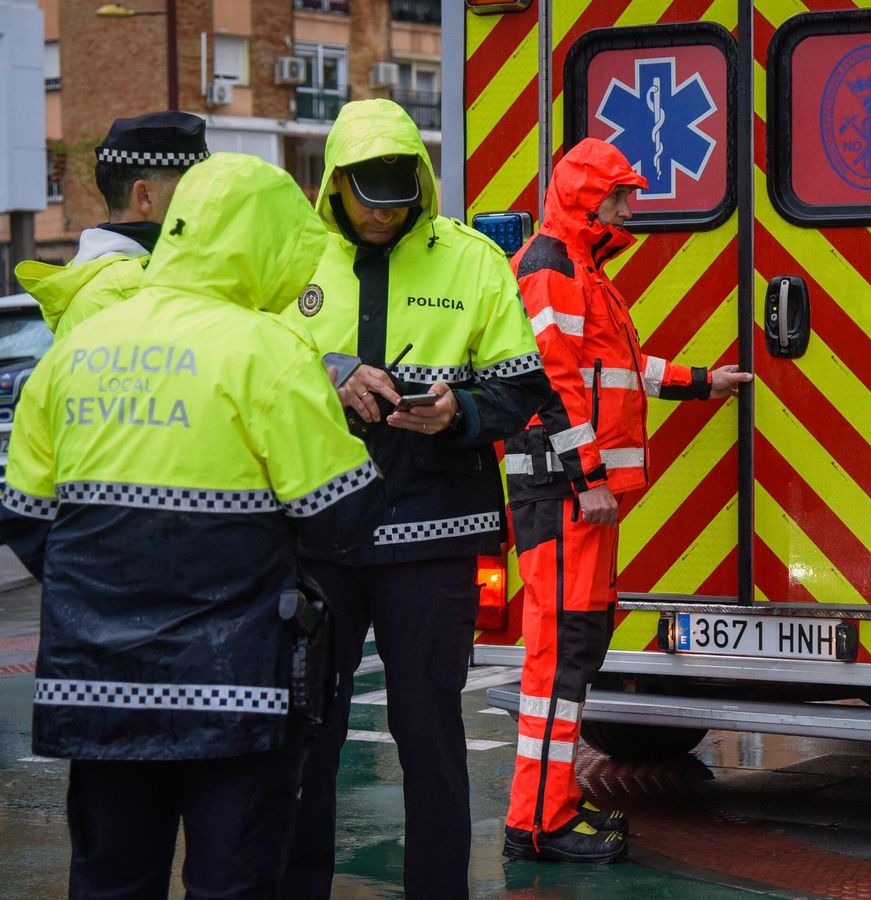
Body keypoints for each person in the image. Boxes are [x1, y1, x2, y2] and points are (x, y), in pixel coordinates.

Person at [0, 152, 377, 899]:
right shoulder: (268, 352)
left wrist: (106, 591)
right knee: (233, 882)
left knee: (110, 880)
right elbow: (343, 516)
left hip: (96, 688)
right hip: (236, 688)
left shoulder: (77, 348)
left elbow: (25, 516)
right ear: (267, 243)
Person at [278, 99, 548, 900]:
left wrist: (456, 413)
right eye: (368, 196)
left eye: (398, 197)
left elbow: (521, 384)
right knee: (308, 736)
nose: (383, 212)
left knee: (429, 737)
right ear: (334, 185)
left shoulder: (469, 260)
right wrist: (331, 370)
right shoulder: (290, 260)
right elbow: (249, 365)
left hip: (433, 534)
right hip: (318, 534)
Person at [501, 137, 751, 864]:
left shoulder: (580, 272)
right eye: (622, 195)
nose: (632, 207)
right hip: (564, 497)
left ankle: (552, 809)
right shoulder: (550, 272)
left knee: (572, 654)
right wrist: (589, 478)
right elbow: (556, 383)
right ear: (591, 199)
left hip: (575, 499)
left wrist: (700, 381)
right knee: (558, 658)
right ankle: (539, 823)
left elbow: (614, 368)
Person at [14, 111, 209, 337]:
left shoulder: (90, 275)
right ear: (145, 196)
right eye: (188, 187)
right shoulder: (136, 288)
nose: (201, 198)